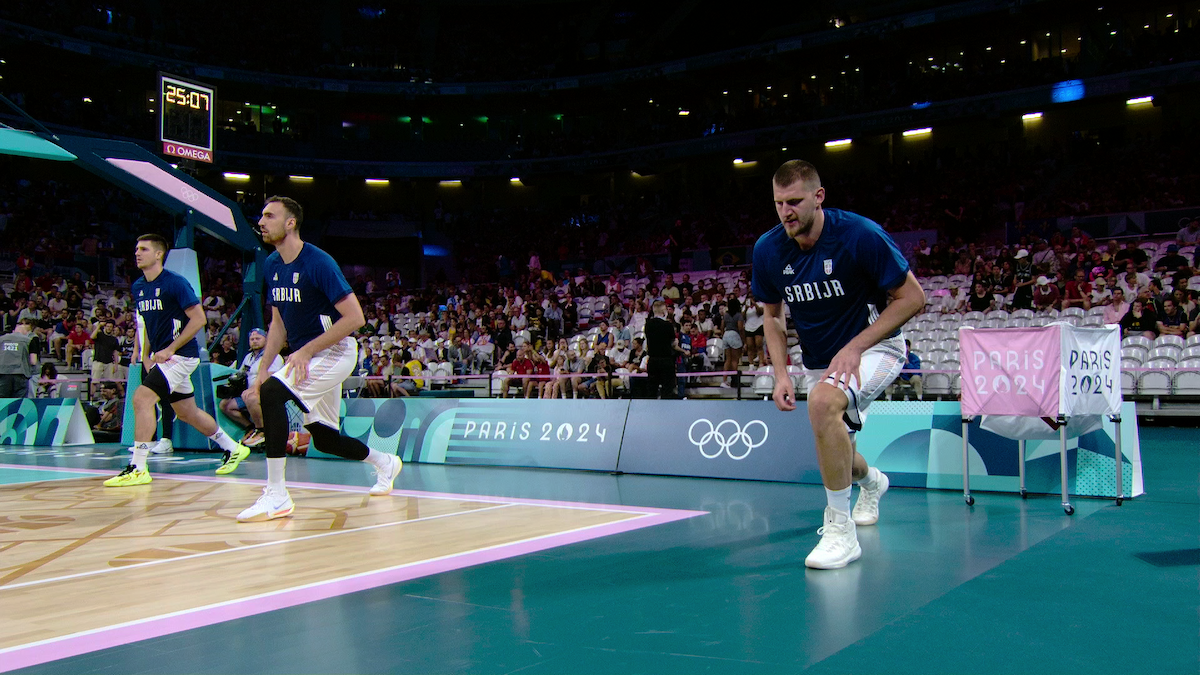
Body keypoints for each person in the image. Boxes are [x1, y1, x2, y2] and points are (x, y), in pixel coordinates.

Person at [752, 160, 924, 570]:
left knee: (822, 403)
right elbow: (773, 318)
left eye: (794, 201)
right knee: (840, 451)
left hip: (876, 347)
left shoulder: (859, 234)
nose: (786, 211)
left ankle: (840, 531)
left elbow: (913, 297)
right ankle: (873, 482)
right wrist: (780, 373)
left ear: (818, 196)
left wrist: (854, 347)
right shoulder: (768, 249)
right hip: (820, 361)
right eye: (778, 204)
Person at [239, 196, 402, 522]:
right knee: (325, 440)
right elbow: (278, 323)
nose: (261, 221)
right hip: (305, 357)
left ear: (290, 223)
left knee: (272, 393)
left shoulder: (318, 262)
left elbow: (355, 318)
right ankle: (384, 463)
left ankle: (277, 495)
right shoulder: (271, 264)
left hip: (335, 352)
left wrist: (307, 350)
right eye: (261, 216)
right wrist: (263, 366)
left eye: (269, 216)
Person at [104, 235, 251, 488]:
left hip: (181, 356)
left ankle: (138, 467)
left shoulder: (175, 283)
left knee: (142, 398)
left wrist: (171, 348)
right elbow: (148, 325)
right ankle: (233, 447)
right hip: (162, 357)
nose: (137, 253)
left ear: (159, 254)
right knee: (187, 413)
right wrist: (147, 355)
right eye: (136, 249)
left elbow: (199, 319)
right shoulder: (139, 286)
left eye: (143, 249)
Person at [220, 328, 283, 447]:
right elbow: (242, 373)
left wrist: (254, 388)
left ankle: (263, 431)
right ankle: (251, 427)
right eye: (252, 339)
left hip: (267, 392)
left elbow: (270, 376)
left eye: (258, 338)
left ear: (266, 339)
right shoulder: (248, 357)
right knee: (225, 405)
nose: (254, 341)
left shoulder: (274, 356)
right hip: (249, 392)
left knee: (251, 398)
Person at [643, 300, 680, 399]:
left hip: (653, 360)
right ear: (664, 312)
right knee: (667, 389)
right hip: (666, 360)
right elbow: (673, 343)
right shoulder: (668, 325)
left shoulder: (648, 325)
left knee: (652, 389)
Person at [0, 318, 38, 398]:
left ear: (14, 331)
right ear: (26, 332)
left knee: (2, 401)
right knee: (18, 402)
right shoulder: (29, 340)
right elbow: (33, 361)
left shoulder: (1, 339)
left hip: (3, 373)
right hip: (21, 374)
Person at [720, 298, 745, 389]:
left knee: (728, 360)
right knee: (735, 360)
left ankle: (724, 380)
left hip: (726, 334)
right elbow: (740, 328)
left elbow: (722, 326)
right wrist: (743, 340)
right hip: (734, 334)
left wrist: (723, 335)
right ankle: (735, 381)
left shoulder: (726, 315)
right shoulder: (739, 315)